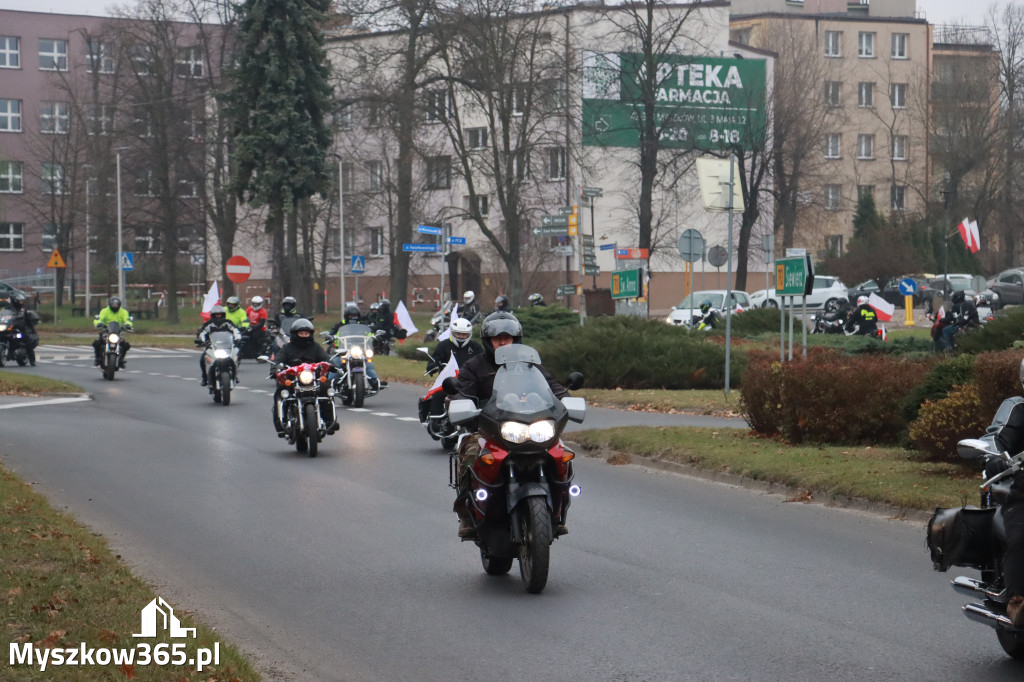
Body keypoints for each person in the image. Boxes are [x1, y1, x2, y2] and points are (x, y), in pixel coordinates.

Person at [452, 311, 568, 537]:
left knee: (561, 453)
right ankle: (467, 513)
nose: (504, 342)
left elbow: (551, 385)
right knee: (469, 451)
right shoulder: (474, 366)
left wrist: (565, 398)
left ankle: (559, 507)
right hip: (488, 428)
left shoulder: (530, 364)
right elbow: (462, 392)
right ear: (488, 341)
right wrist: (461, 403)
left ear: (516, 339)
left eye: (508, 338)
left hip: (530, 426)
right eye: (498, 339)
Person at [270, 318, 336, 437]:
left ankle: (330, 420)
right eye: (301, 333)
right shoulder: (287, 348)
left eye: (306, 333)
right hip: (293, 380)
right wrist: (275, 368)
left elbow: (325, 357)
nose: (304, 336)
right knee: (281, 393)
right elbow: (278, 359)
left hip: (313, 380)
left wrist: (332, 365)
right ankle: (280, 424)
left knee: (327, 388)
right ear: (295, 334)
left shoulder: (315, 347)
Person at [424, 317, 484, 422]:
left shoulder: (475, 347)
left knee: (483, 397)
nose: (461, 336)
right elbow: (433, 361)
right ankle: (435, 421)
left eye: (464, 334)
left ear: (469, 334)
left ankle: (481, 421)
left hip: (470, 383)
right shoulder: (443, 345)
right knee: (437, 394)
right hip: (447, 384)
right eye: (458, 334)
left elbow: (484, 361)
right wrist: (433, 365)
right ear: (452, 333)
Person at [195, 305, 242, 385]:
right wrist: (202, 341)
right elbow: (201, 333)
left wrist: (238, 339)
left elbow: (236, 331)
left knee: (237, 356)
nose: (218, 317)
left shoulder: (228, 323)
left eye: (220, 314)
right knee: (202, 359)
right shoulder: (208, 324)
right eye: (216, 315)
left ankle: (234, 375)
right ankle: (204, 377)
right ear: (213, 315)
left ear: (223, 315)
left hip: (227, 346)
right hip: (212, 347)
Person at [93, 296, 132, 368]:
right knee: (97, 343)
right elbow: (100, 318)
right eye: (113, 304)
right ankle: (97, 358)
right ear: (110, 304)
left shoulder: (123, 312)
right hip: (106, 331)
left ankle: (121, 360)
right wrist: (98, 323)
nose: (115, 306)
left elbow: (127, 320)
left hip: (118, 332)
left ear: (119, 305)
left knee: (125, 345)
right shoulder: (105, 311)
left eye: (116, 305)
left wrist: (128, 325)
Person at [2, 293, 40, 366]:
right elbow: (3, 316)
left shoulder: (22, 310)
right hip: (9, 327)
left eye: (21, 301)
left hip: (20, 328)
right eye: (19, 301)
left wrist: (31, 326)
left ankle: (32, 360)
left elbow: (27, 319)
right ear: (15, 301)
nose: (21, 302)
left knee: (27, 340)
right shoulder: (7, 309)